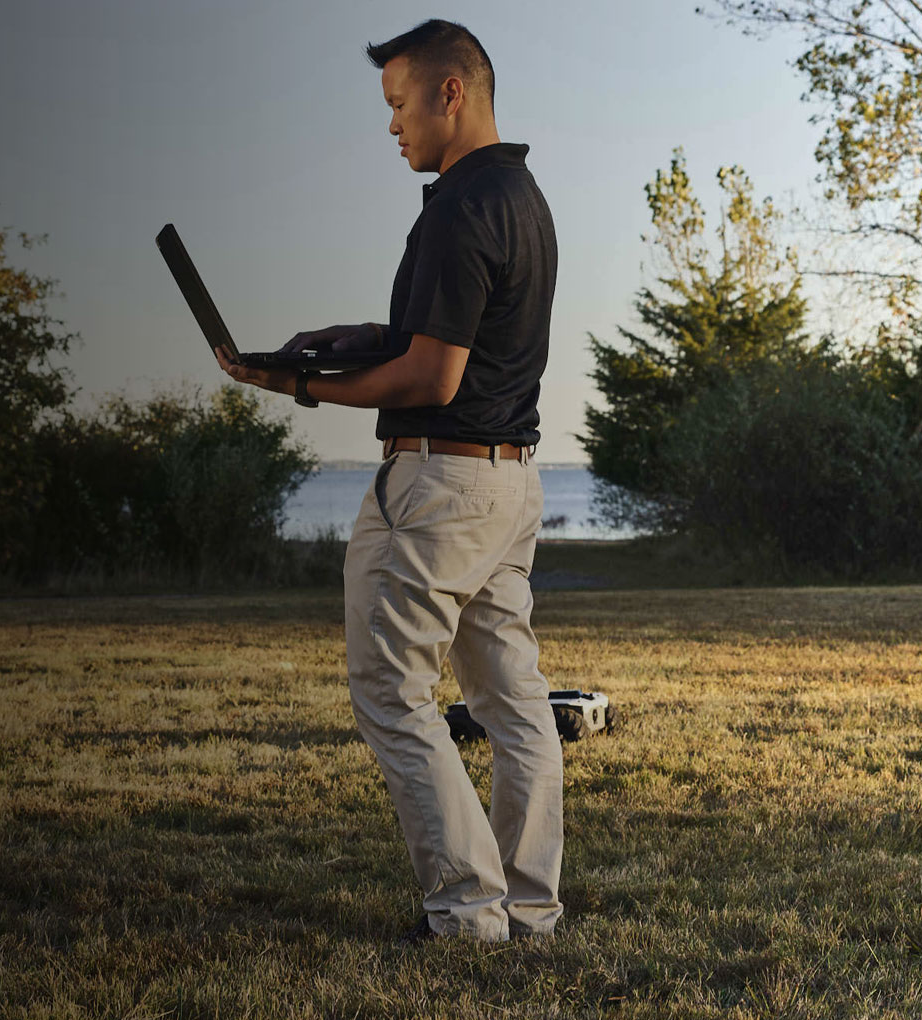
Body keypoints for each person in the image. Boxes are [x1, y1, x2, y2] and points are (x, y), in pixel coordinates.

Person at [214, 18, 562, 947]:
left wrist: (294, 384)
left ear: (451, 92)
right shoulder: (521, 196)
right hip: (508, 485)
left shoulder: (455, 207)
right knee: (512, 703)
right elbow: (455, 339)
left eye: (399, 103)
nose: (392, 126)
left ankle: (468, 912)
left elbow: (432, 379)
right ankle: (525, 909)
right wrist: (352, 340)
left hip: (439, 490)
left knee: (392, 691)